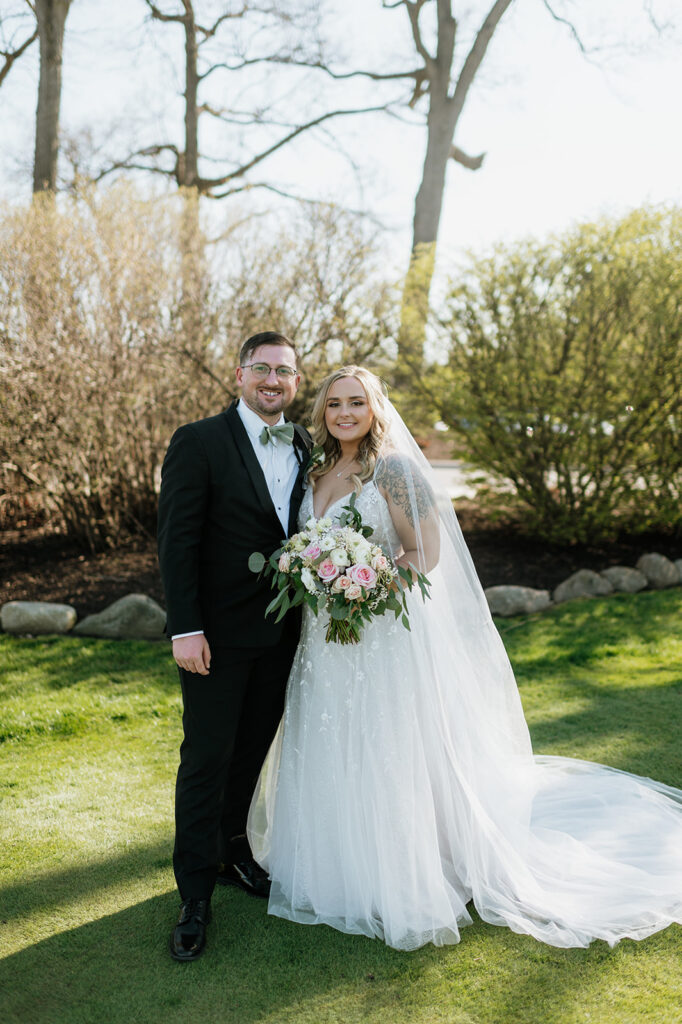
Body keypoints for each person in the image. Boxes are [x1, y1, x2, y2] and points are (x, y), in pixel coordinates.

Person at [247, 365, 682, 952]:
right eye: (333, 405)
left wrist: (365, 580)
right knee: (329, 737)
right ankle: (332, 861)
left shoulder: (393, 471)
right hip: (323, 642)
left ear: (375, 408)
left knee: (385, 742)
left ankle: (405, 867)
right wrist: (314, 572)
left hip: (377, 633)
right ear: (321, 413)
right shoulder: (318, 470)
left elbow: (426, 550)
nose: (344, 413)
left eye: (356, 402)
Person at [157, 331, 311, 961]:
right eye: (262, 368)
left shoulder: (304, 442)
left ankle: (233, 855)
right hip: (214, 639)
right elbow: (177, 540)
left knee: (250, 754)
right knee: (207, 760)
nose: (273, 380)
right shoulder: (198, 441)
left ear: (296, 382)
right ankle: (194, 894)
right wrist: (184, 628)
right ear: (241, 374)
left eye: (285, 371)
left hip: (282, 632)